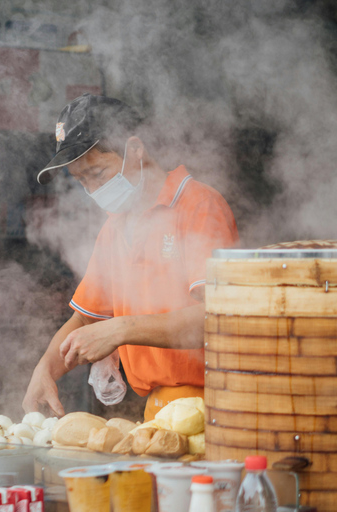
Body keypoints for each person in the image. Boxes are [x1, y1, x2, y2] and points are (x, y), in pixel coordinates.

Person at [22, 94, 239, 421]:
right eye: (81, 181)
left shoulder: (198, 205)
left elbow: (218, 318)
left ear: (135, 150)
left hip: (215, 409)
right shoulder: (115, 227)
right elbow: (86, 319)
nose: (92, 189)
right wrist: (45, 370)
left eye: (97, 173)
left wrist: (120, 330)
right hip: (156, 409)